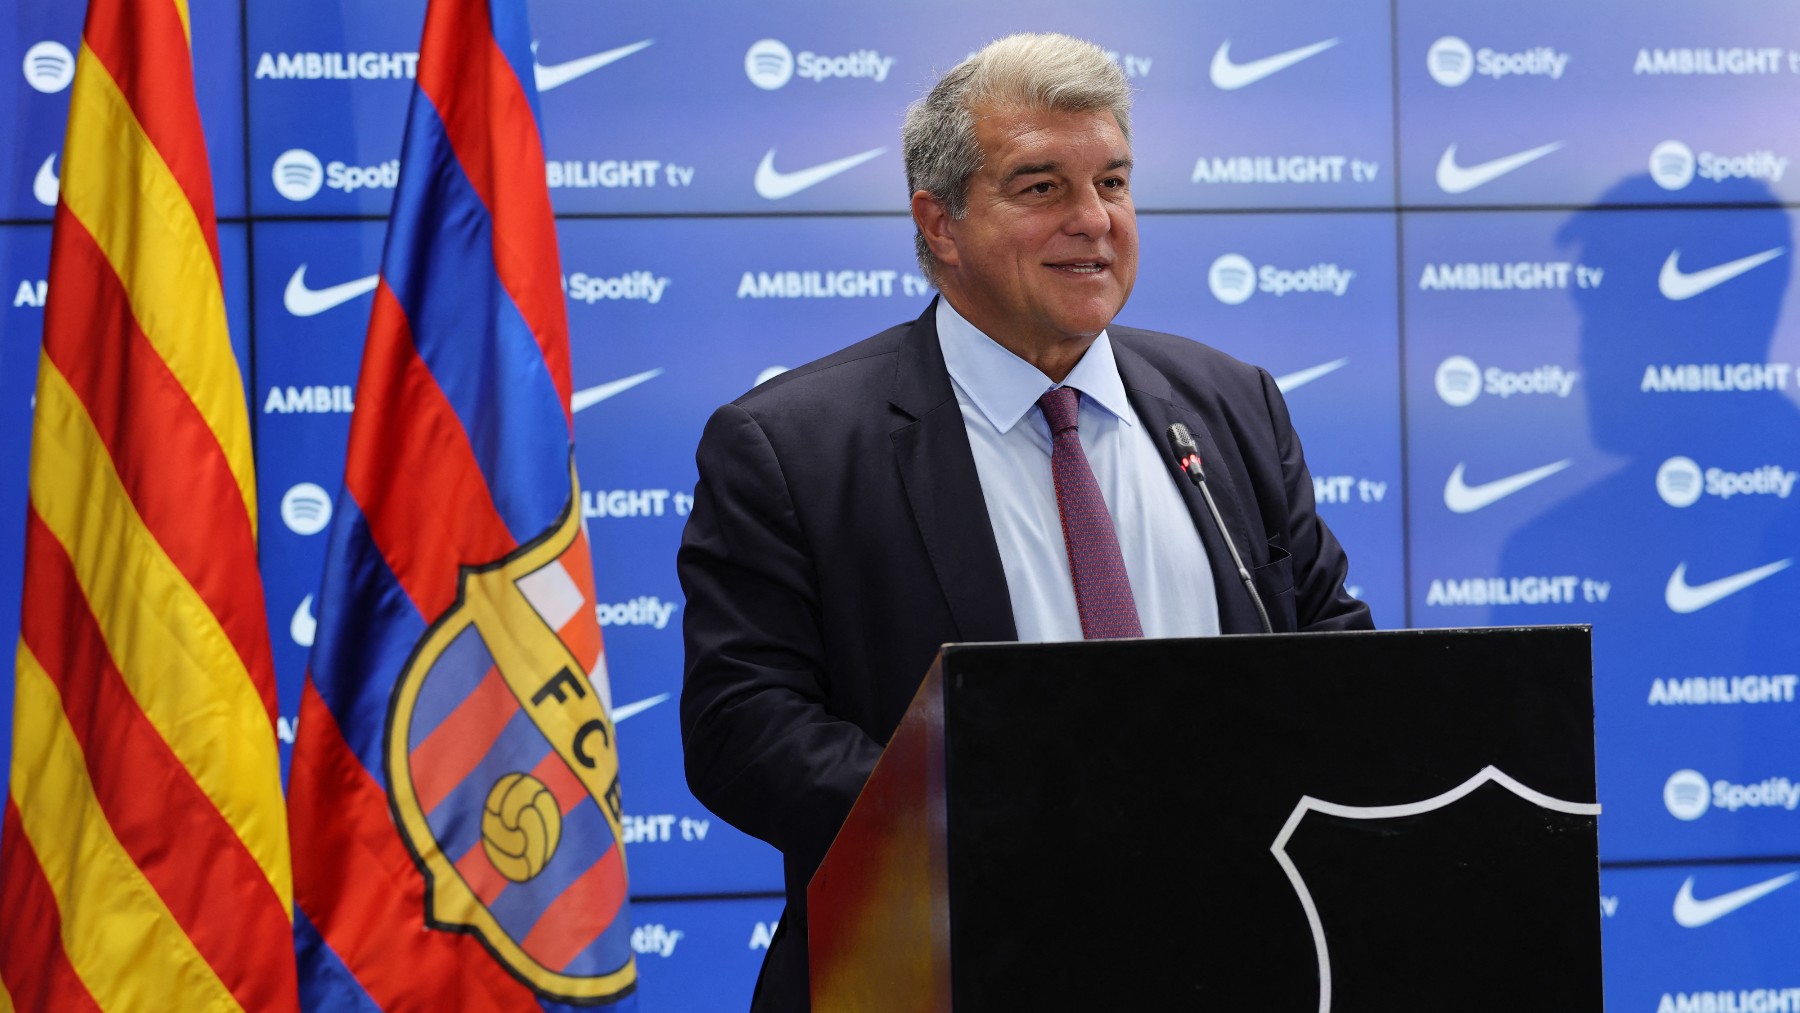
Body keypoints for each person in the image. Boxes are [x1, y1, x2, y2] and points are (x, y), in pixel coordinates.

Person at [678, 33, 1371, 1011]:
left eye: (1115, 182)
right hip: (940, 965)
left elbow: (1336, 649)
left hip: (1232, 954)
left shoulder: (1231, 404)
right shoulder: (791, 445)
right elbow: (741, 729)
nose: (1095, 221)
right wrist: (997, 818)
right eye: (1041, 186)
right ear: (941, 221)